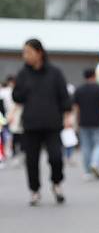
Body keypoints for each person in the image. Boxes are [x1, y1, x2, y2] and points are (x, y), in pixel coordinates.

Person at [12, 38, 71, 205]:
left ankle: (56, 183)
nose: (25, 56)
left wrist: (67, 118)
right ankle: (35, 190)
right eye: (24, 53)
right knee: (31, 160)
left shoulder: (55, 73)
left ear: (39, 53)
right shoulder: (23, 73)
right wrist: (21, 88)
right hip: (30, 125)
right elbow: (16, 96)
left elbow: (64, 98)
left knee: (56, 157)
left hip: (52, 125)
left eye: (28, 52)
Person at [74, 68, 99, 180]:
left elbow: (76, 108)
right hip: (98, 121)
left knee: (86, 146)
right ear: (94, 75)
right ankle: (95, 163)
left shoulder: (79, 90)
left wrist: (77, 121)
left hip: (84, 122)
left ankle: (87, 171)